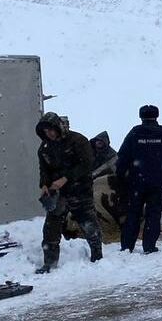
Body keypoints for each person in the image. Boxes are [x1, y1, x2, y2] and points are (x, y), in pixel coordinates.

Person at [36, 112, 103, 274]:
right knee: (51, 228)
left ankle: (97, 256)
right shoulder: (45, 147)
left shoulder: (78, 141)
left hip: (80, 190)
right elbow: (44, 169)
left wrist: (66, 178)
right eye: (45, 131)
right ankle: (50, 263)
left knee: (88, 223)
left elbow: (86, 164)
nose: (49, 134)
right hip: (57, 194)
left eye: (51, 130)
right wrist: (44, 184)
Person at [116, 105, 162, 254]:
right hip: (157, 181)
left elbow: (122, 157)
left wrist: (121, 177)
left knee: (133, 214)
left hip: (136, 182)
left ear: (141, 117)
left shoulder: (135, 132)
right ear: (157, 116)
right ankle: (149, 246)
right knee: (153, 214)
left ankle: (127, 246)